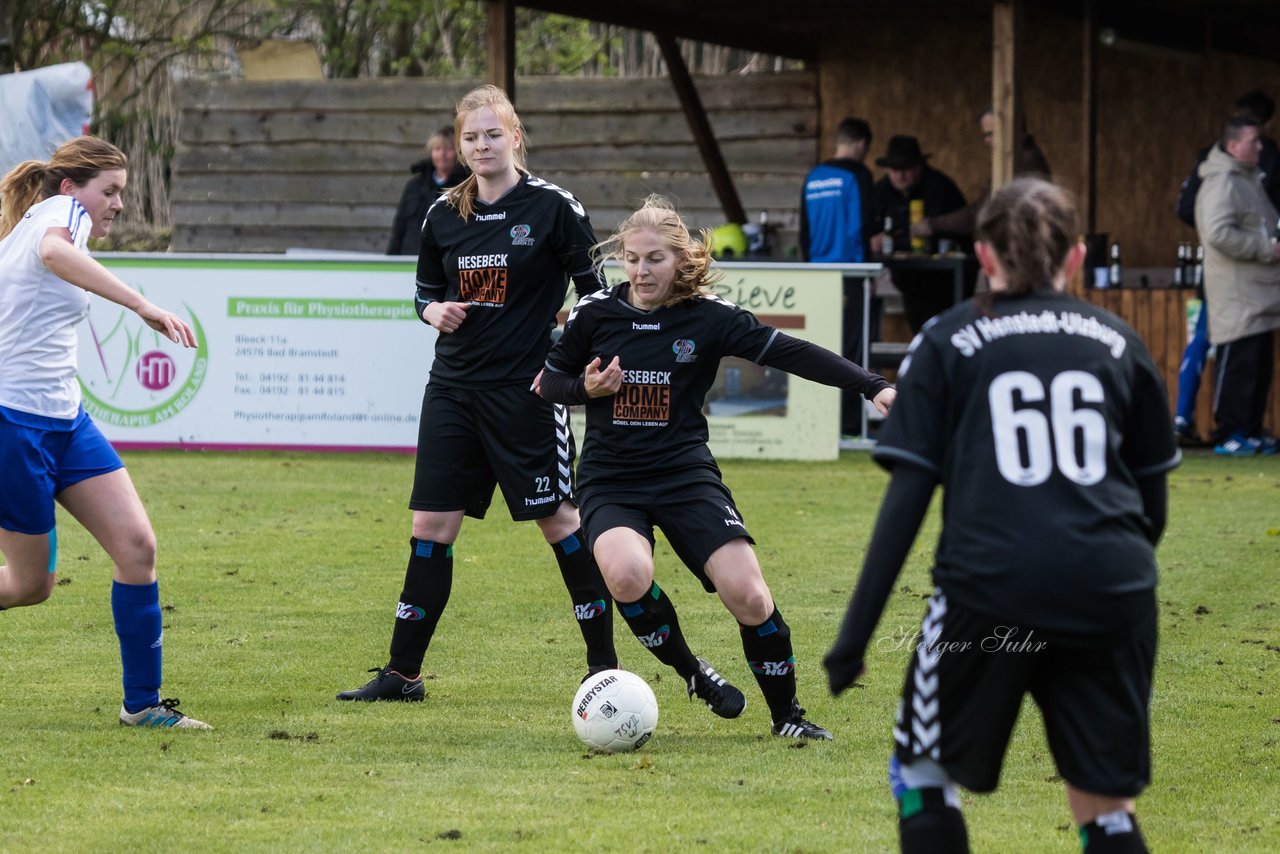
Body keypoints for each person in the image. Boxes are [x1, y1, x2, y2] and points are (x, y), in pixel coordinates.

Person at [825, 178, 1180, 853]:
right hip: (1112, 588)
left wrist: (853, 640)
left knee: (922, 774)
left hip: (990, 591)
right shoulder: (1119, 341)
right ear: (1075, 257)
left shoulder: (949, 339)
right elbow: (1151, 505)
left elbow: (908, 499)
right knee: (1105, 804)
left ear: (983, 256)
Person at [537, 195, 895, 739]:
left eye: (653, 258)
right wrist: (584, 388)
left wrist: (873, 386)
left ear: (680, 260)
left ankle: (787, 719)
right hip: (611, 479)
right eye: (631, 258)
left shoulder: (709, 316)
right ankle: (693, 672)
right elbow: (548, 383)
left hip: (684, 474)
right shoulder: (595, 314)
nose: (640, 270)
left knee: (749, 595)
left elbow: (790, 351)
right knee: (627, 574)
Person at [338, 85, 618, 702]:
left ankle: (605, 668)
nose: (482, 145)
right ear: (458, 146)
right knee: (431, 525)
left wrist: (570, 348)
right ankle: (402, 674)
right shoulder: (442, 213)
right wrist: (431, 311)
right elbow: (422, 293)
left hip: (526, 395)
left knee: (560, 522)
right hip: (453, 391)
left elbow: (595, 295)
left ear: (515, 137)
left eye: (494, 134)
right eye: (471, 136)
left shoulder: (555, 208)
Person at [0, 136, 209, 729]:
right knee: (28, 584)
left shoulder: (57, 223)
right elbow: (54, 253)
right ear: (72, 187)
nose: (119, 203)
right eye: (110, 191)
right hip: (14, 423)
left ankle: (141, 706)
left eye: (121, 191)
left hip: (66, 421)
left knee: (137, 548)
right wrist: (141, 305)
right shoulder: (55, 215)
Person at [1172, 91, 1280, 446]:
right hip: (1236, 294)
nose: (1261, 148)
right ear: (1234, 146)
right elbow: (1217, 233)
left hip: (1258, 294)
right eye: (1254, 142)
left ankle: (1248, 432)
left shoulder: (1248, 178)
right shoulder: (1222, 181)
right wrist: (1266, 249)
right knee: (1238, 366)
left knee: (1257, 368)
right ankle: (1229, 433)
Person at [799, 116, 878, 436]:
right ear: (861, 145)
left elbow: (804, 234)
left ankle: (819, 422)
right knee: (853, 349)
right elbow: (864, 229)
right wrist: (870, 270)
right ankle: (848, 424)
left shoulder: (813, 177)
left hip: (819, 275)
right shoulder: (857, 175)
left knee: (821, 346)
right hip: (851, 273)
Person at [869, 136, 969, 333]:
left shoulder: (941, 189)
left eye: (905, 169)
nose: (900, 176)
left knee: (946, 330)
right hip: (908, 282)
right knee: (919, 329)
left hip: (945, 283)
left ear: (919, 166)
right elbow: (869, 230)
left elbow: (959, 235)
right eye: (894, 170)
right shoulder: (880, 192)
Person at [910, 107, 1051, 243]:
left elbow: (981, 211)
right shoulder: (1016, 159)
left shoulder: (1022, 162)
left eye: (991, 134)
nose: (987, 140)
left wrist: (933, 225)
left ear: (1011, 131)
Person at [386, 126, 469, 256]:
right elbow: (399, 228)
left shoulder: (465, 187)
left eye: (448, 148)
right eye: (437, 149)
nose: (442, 154)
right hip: (409, 259)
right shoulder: (415, 185)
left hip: (446, 261)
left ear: (459, 152)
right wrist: (391, 260)